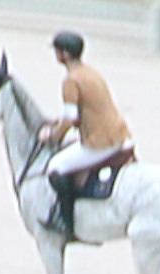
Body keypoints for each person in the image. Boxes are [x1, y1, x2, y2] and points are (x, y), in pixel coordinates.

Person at [38, 29, 133, 246]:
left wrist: (53, 136)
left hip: (100, 142)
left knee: (55, 168)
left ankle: (68, 225)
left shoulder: (71, 81)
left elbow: (71, 118)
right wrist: (55, 122)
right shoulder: (90, 72)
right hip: (119, 133)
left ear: (64, 54)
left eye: (57, 51)